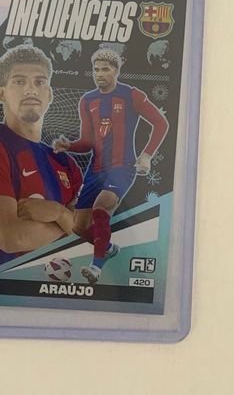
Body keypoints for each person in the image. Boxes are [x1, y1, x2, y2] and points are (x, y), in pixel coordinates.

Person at [53, 48, 169, 284]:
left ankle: (96, 267)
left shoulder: (132, 95)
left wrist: (147, 155)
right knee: (78, 227)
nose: (99, 74)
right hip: (95, 170)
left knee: (100, 209)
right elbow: (88, 142)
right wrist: (69, 145)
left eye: (105, 69)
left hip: (122, 167)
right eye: (96, 70)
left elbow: (161, 123)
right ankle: (108, 248)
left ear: (116, 71)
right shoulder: (87, 100)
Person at [0, 45, 82, 275]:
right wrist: (67, 223)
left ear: (49, 94)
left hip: (57, 288)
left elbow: (88, 234)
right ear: (1, 93)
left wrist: (59, 213)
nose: (31, 89)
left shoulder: (66, 164)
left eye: (39, 82)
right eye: (19, 81)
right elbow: (11, 237)